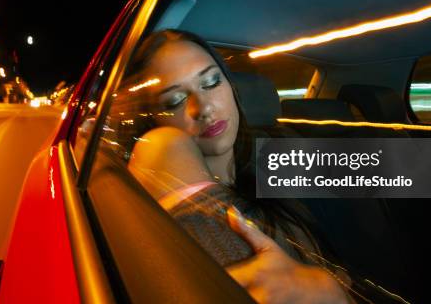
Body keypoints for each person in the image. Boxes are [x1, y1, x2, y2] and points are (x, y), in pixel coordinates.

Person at [123, 30, 351, 304]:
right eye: (176, 101)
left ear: (231, 86)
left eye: (211, 81)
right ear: (154, 121)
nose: (204, 107)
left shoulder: (278, 150)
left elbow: (407, 172)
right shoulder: (162, 157)